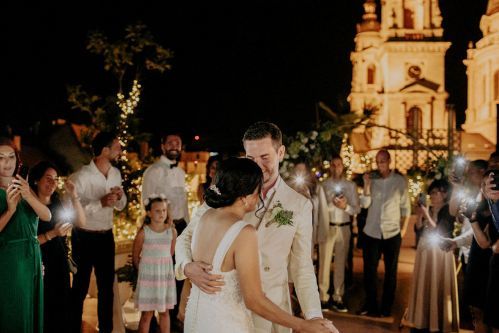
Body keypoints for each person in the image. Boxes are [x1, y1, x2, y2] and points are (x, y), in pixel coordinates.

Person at [176, 122, 339, 333]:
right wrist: (186, 267)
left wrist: (314, 317)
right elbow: (185, 237)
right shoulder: (225, 192)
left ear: (280, 153)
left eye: (265, 157)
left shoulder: (299, 204)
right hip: (228, 311)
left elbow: (302, 268)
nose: (258, 166)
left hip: (273, 312)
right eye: (251, 159)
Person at [69, 132, 127, 333]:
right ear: (105, 150)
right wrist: (99, 202)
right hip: (83, 236)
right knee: (80, 287)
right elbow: (73, 210)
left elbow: (121, 205)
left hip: (106, 236)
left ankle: (106, 330)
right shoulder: (81, 176)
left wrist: (119, 197)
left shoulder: (115, 174)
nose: (120, 150)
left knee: (106, 289)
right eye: (117, 146)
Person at [0, 136, 52, 333]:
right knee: (14, 312)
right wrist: (10, 210)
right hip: (9, 260)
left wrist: (28, 194)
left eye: (11, 157)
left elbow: (46, 215)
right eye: (1, 157)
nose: (7, 162)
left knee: (31, 312)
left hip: (32, 257)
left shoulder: (24, 187)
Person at [29, 161, 86, 333]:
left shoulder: (57, 203)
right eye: (48, 178)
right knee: (42, 310)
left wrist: (74, 195)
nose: (52, 183)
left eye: (55, 179)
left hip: (59, 264)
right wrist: (53, 234)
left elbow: (82, 222)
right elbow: (28, 242)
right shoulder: (28, 207)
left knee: (61, 311)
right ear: (36, 180)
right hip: (38, 265)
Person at [142, 132, 189, 329]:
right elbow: (146, 201)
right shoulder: (152, 171)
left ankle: (172, 320)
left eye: (177, 143)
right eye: (170, 142)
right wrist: (162, 226)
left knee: (178, 275)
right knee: (160, 275)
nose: (174, 146)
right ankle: (152, 321)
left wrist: (187, 226)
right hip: (162, 229)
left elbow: (184, 203)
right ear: (162, 146)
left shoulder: (180, 172)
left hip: (181, 226)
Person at [360, 149, 410, 317]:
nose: (380, 165)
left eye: (382, 161)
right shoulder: (372, 181)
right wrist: (366, 185)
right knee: (369, 272)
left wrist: (402, 230)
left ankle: (387, 308)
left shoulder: (399, 181)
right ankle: (371, 306)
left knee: (391, 273)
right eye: (378, 162)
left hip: (392, 233)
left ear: (389, 161)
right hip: (372, 231)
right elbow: (365, 204)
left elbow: (405, 208)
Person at [406, 179, 459, 332]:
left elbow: (440, 230)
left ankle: (438, 321)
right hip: (425, 251)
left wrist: (427, 215)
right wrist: (419, 215)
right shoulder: (428, 208)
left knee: (438, 283)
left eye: (436, 193)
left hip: (439, 254)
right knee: (425, 283)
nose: (433, 196)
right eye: (432, 193)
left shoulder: (448, 210)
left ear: (445, 194)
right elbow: (418, 230)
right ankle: (423, 319)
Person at [318, 154, 360, 313]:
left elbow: (357, 208)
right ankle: (323, 297)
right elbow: (320, 208)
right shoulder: (323, 185)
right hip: (327, 226)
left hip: (344, 227)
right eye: (334, 165)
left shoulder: (350, 186)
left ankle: (338, 297)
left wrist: (345, 207)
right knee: (324, 263)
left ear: (343, 167)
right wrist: (331, 204)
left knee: (341, 264)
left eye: (339, 165)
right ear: (330, 167)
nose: (336, 168)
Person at [133, 195, 177, 333]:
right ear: (149, 213)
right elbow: (135, 256)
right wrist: (144, 271)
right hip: (148, 278)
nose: (162, 213)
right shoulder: (143, 233)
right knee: (147, 314)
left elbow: (169, 253)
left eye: (164, 210)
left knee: (164, 313)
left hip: (164, 277)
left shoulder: (171, 232)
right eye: (157, 211)